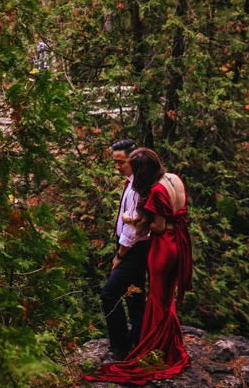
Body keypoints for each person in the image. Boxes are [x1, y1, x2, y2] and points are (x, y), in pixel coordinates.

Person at [85, 148, 193, 385]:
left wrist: (132, 220)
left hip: (162, 247)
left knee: (155, 299)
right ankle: (158, 344)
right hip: (178, 243)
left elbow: (159, 226)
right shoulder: (174, 179)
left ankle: (157, 349)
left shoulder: (154, 190)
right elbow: (178, 214)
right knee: (160, 299)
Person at [101, 139, 151, 361]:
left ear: (134, 159)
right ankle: (139, 343)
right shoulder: (133, 183)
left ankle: (121, 346)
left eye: (121, 162)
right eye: (115, 163)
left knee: (109, 294)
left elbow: (132, 230)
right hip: (133, 249)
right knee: (135, 296)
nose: (118, 167)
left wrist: (119, 257)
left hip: (133, 250)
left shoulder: (138, 188)